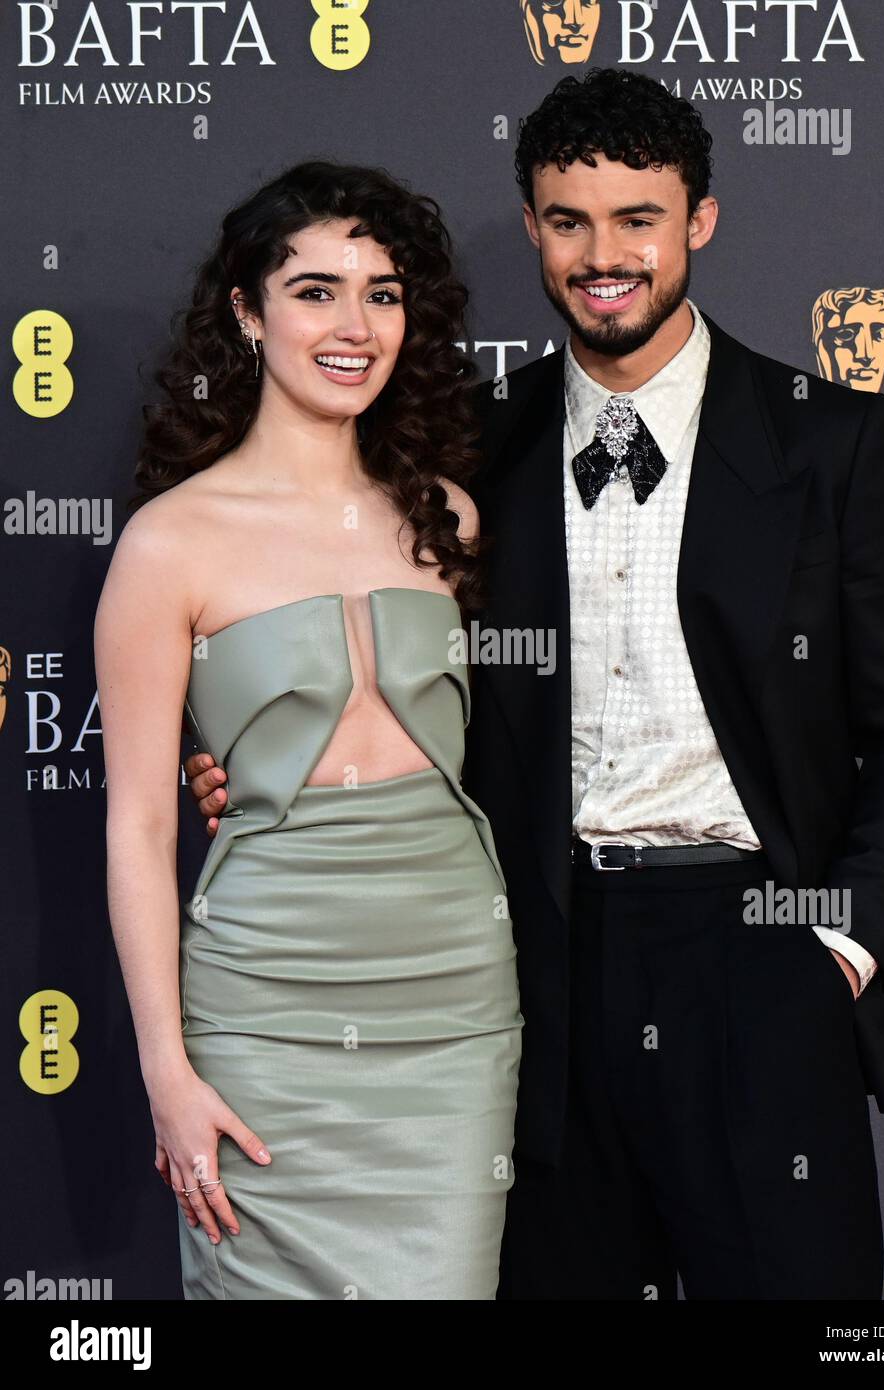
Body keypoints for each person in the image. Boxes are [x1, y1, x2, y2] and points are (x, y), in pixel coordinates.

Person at [187, 71, 884, 1300]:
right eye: (567, 221)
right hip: (531, 964)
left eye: (635, 220)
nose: (602, 257)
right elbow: (382, 668)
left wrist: (837, 949)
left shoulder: (827, 439)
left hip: (755, 952)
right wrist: (259, 757)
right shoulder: (464, 451)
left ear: (697, 221)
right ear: (535, 224)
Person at [96, 161, 522, 1300]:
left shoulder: (448, 517)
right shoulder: (170, 543)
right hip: (265, 1001)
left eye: (382, 294)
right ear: (246, 308)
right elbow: (139, 823)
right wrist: (165, 1073)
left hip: (450, 1000)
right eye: (316, 289)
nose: (354, 325)